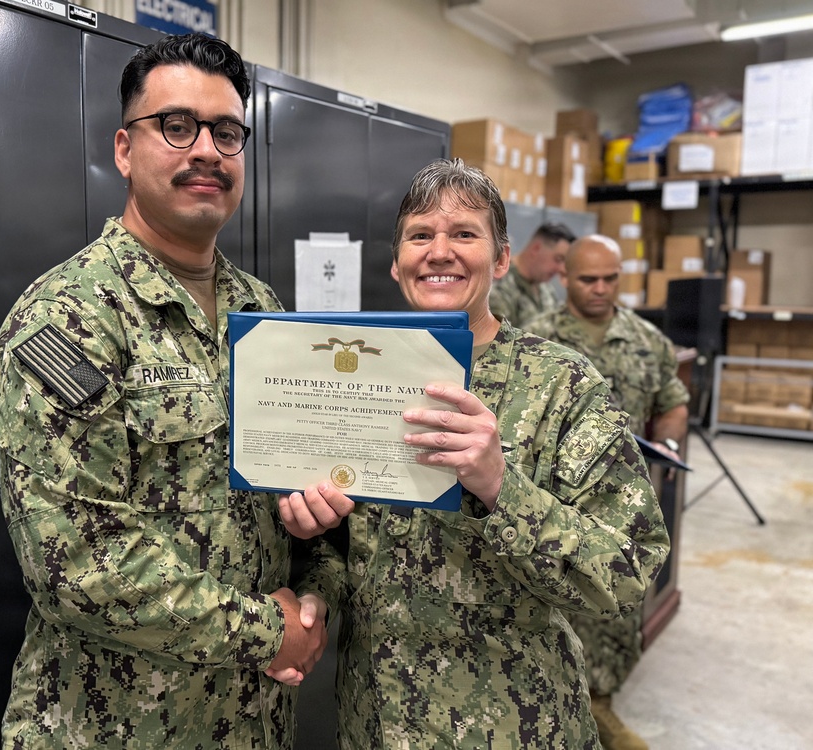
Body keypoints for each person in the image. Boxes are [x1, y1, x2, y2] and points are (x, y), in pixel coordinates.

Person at [0, 33, 326, 749]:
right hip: (116, 724)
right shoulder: (68, 318)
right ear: (124, 149)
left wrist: (317, 567)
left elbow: (303, 485)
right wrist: (269, 630)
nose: (205, 149)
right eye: (176, 126)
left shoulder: (263, 311)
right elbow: (75, 561)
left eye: (227, 132)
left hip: (251, 721)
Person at [276, 158, 671, 748]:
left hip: (513, 725)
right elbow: (346, 547)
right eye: (420, 236)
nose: (440, 252)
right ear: (397, 261)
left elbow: (629, 570)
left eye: (464, 234)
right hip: (376, 720)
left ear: (502, 258)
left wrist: (500, 487)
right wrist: (316, 582)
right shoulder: (355, 373)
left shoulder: (561, 383)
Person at [526, 233, 690, 750]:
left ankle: (601, 706)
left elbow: (674, 402)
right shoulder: (535, 341)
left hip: (618, 508)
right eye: (588, 279)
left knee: (615, 615)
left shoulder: (647, 340)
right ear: (564, 277)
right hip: (549, 508)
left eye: (610, 279)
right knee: (553, 616)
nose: (600, 289)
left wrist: (665, 439)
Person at [488, 220, 575, 327]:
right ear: (535, 249)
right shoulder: (500, 287)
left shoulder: (546, 289)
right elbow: (500, 338)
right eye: (558, 259)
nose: (561, 268)